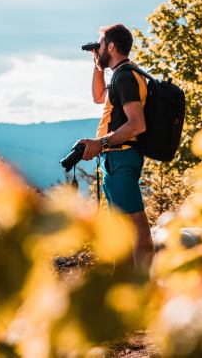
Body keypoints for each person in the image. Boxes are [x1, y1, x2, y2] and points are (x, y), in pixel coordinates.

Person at [79, 23, 154, 270]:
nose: (98, 49)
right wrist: (97, 64)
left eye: (100, 45)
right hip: (114, 159)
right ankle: (122, 287)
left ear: (111, 46)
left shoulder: (125, 77)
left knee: (135, 224)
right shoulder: (123, 75)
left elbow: (137, 124)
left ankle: (143, 287)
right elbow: (98, 96)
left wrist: (100, 143)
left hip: (122, 157)